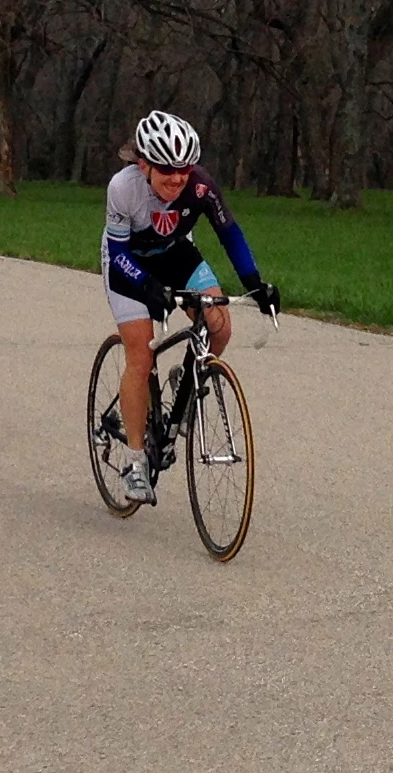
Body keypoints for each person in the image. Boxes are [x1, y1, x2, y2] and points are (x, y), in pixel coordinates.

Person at [101, 110, 280, 506]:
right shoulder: (123, 188)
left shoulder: (200, 187)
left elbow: (229, 233)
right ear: (143, 163)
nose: (177, 178)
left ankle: (187, 377)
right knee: (140, 355)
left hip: (175, 255)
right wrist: (148, 288)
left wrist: (255, 284)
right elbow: (117, 253)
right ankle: (134, 461)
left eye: (184, 169)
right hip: (130, 264)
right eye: (167, 169)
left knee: (220, 327)